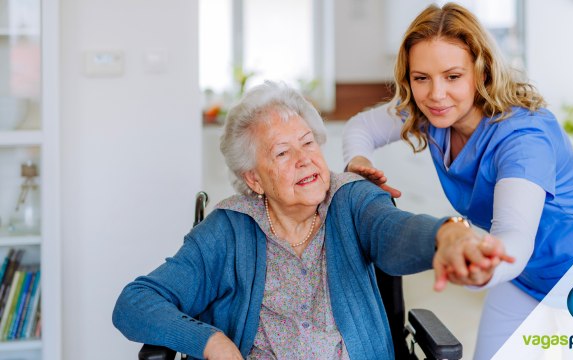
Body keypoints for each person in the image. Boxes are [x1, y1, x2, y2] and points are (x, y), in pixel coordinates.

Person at [112, 81, 512, 360]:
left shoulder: (351, 198)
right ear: (254, 178)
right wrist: (212, 342)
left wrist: (447, 236)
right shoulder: (227, 230)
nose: (305, 158)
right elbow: (134, 303)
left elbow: (394, 230)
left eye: (307, 143)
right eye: (282, 153)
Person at [342, 3, 573, 359]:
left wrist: (477, 266)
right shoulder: (431, 115)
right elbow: (362, 127)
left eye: (452, 76)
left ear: (481, 72)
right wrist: (359, 162)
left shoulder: (523, 138)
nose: (436, 94)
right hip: (527, 276)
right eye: (421, 78)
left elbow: (514, 238)